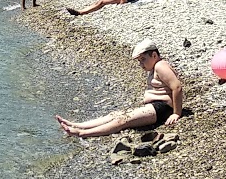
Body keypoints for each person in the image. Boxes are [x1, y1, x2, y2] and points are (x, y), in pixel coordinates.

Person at [56, 40, 184, 136]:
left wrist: (176, 113)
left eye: (143, 59)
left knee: (122, 120)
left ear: (154, 55)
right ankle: (78, 125)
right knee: (115, 114)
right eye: (139, 61)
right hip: (154, 106)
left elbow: (177, 87)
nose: (141, 64)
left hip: (162, 108)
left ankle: (81, 133)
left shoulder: (160, 66)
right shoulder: (154, 67)